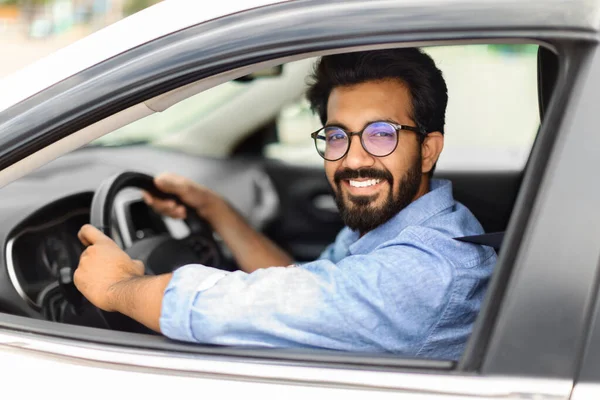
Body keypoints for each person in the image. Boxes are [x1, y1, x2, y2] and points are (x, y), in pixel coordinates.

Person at [74, 48, 497, 360]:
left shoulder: (424, 273)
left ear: (427, 150)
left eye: (381, 134)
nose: (352, 158)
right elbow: (297, 286)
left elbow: (231, 309)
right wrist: (215, 209)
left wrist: (118, 288)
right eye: (336, 136)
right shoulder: (393, 227)